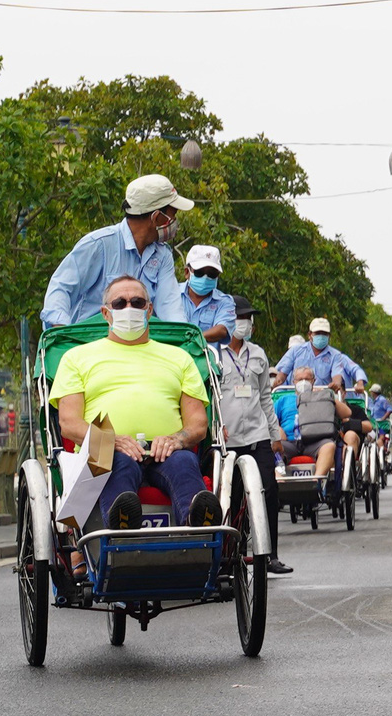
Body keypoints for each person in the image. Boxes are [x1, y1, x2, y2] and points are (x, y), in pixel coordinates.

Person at [50, 275, 221, 532]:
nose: (129, 308)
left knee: (185, 462)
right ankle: (122, 523)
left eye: (137, 302)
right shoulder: (76, 358)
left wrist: (177, 439)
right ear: (106, 313)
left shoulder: (180, 358)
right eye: (119, 303)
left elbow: (198, 423)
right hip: (106, 451)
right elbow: (68, 422)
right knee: (115, 463)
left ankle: (198, 522)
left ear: (149, 310)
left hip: (167, 451)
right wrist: (112, 441)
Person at [42, 175, 195, 329]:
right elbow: (61, 287)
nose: (174, 222)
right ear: (156, 218)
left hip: (139, 344)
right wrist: (61, 331)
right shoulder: (99, 244)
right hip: (92, 343)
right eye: (172, 215)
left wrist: (181, 336)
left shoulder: (162, 255)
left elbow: (170, 306)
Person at [211, 296, 294, 574]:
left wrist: (274, 434)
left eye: (246, 318)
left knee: (269, 491)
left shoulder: (257, 354)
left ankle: (270, 555)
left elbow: (266, 397)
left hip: (258, 434)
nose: (243, 323)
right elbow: (208, 398)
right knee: (232, 497)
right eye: (238, 318)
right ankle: (232, 555)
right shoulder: (213, 354)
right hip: (228, 438)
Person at [290, 369, 355, 493]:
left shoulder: (322, 396)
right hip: (290, 441)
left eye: (307, 379)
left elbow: (347, 413)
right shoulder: (283, 400)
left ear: (313, 381)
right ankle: (280, 484)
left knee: (329, 446)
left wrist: (327, 397)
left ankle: (315, 485)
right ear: (294, 382)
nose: (303, 382)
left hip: (317, 441)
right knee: (272, 448)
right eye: (299, 379)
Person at [272, 319, 369, 388]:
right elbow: (282, 374)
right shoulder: (296, 351)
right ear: (310, 335)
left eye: (324, 334)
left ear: (329, 336)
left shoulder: (335, 355)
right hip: (296, 399)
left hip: (322, 400)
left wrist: (336, 384)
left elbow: (337, 376)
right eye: (318, 333)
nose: (321, 336)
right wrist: (275, 383)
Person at [182, 244, 237, 343]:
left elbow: (222, 330)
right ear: (187, 272)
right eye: (199, 273)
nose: (205, 278)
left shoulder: (225, 302)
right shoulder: (171, 295)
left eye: (212, 274)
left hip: (207, 358)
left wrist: (194, 339)